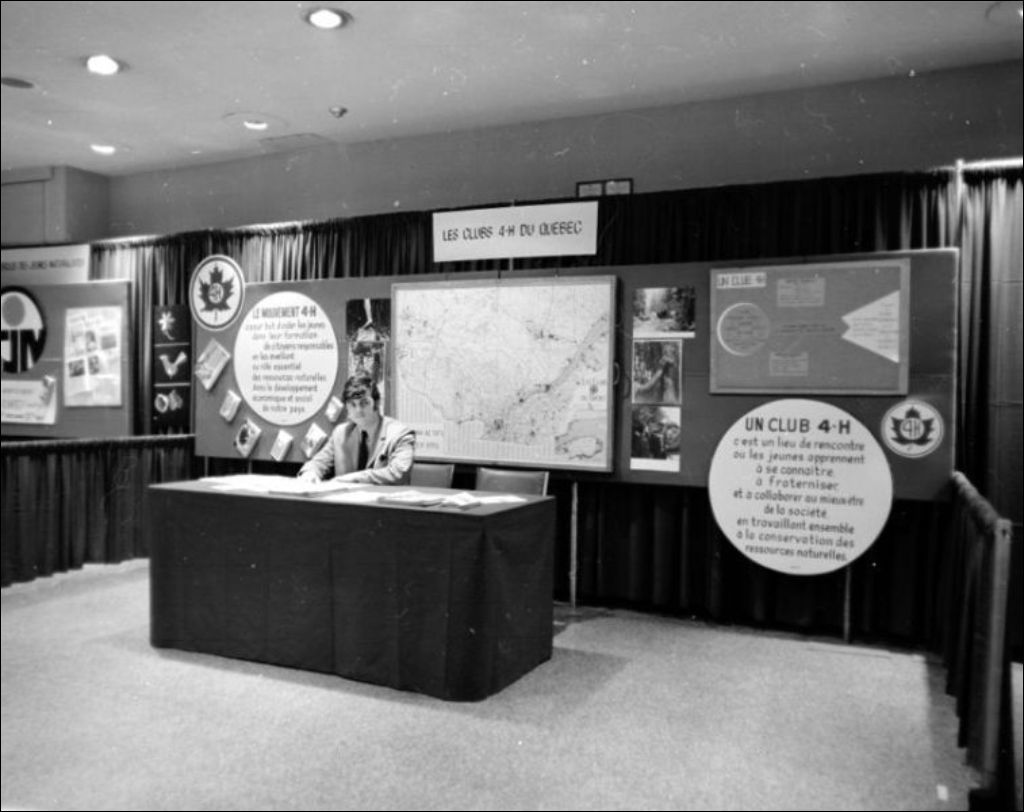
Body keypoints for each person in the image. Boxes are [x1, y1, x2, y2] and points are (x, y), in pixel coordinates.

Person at [297, 373, 415, 485]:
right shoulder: (341, 433)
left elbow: (399, 473)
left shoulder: (399, 433)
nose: (358, 410)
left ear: (377, 403)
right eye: (352, 404)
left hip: (384, 499)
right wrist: (310, 473)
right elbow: (319, 462)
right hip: (347, 499)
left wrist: (354, 478)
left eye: (364, 403)